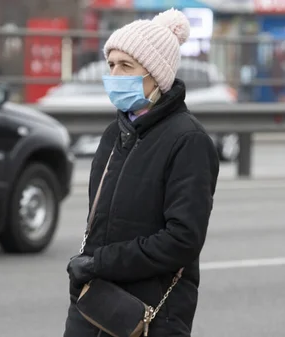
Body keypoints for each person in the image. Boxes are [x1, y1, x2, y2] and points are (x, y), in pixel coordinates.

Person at [63, 8, 220, 337]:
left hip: (151, 316)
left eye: (126, 66)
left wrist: (100, 263)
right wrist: (85, 270)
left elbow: (182, 240)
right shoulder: (113, 135)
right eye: (111, 65)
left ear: (156, 74)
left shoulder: (188, 141)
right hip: (93, 306)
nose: (114, 74)